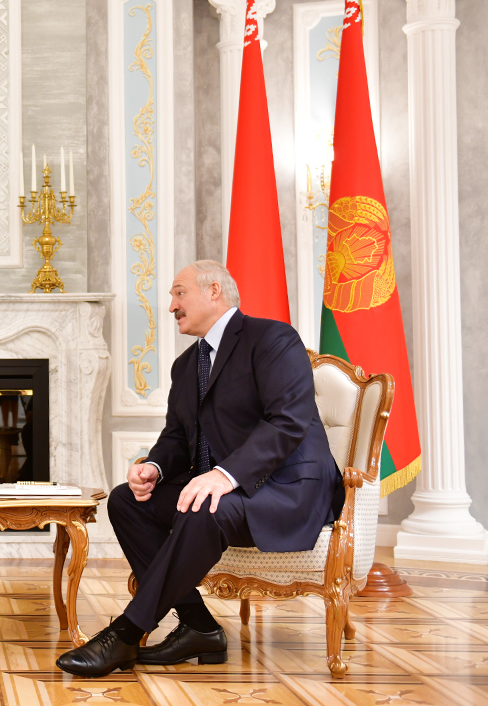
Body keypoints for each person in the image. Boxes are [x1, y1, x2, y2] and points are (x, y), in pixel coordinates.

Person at [57, 261, 343, 677]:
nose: (171, 306)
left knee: (204, 505)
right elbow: (177, 436)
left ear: (214, 291)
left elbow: (287, 422)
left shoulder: (273, 339)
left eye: (179, 293)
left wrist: (224, 475)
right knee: (126, 501)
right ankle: (199, 627)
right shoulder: (186, 364)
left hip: (284, 490)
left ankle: (125, 633)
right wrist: (154, 467)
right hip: (225, 495)